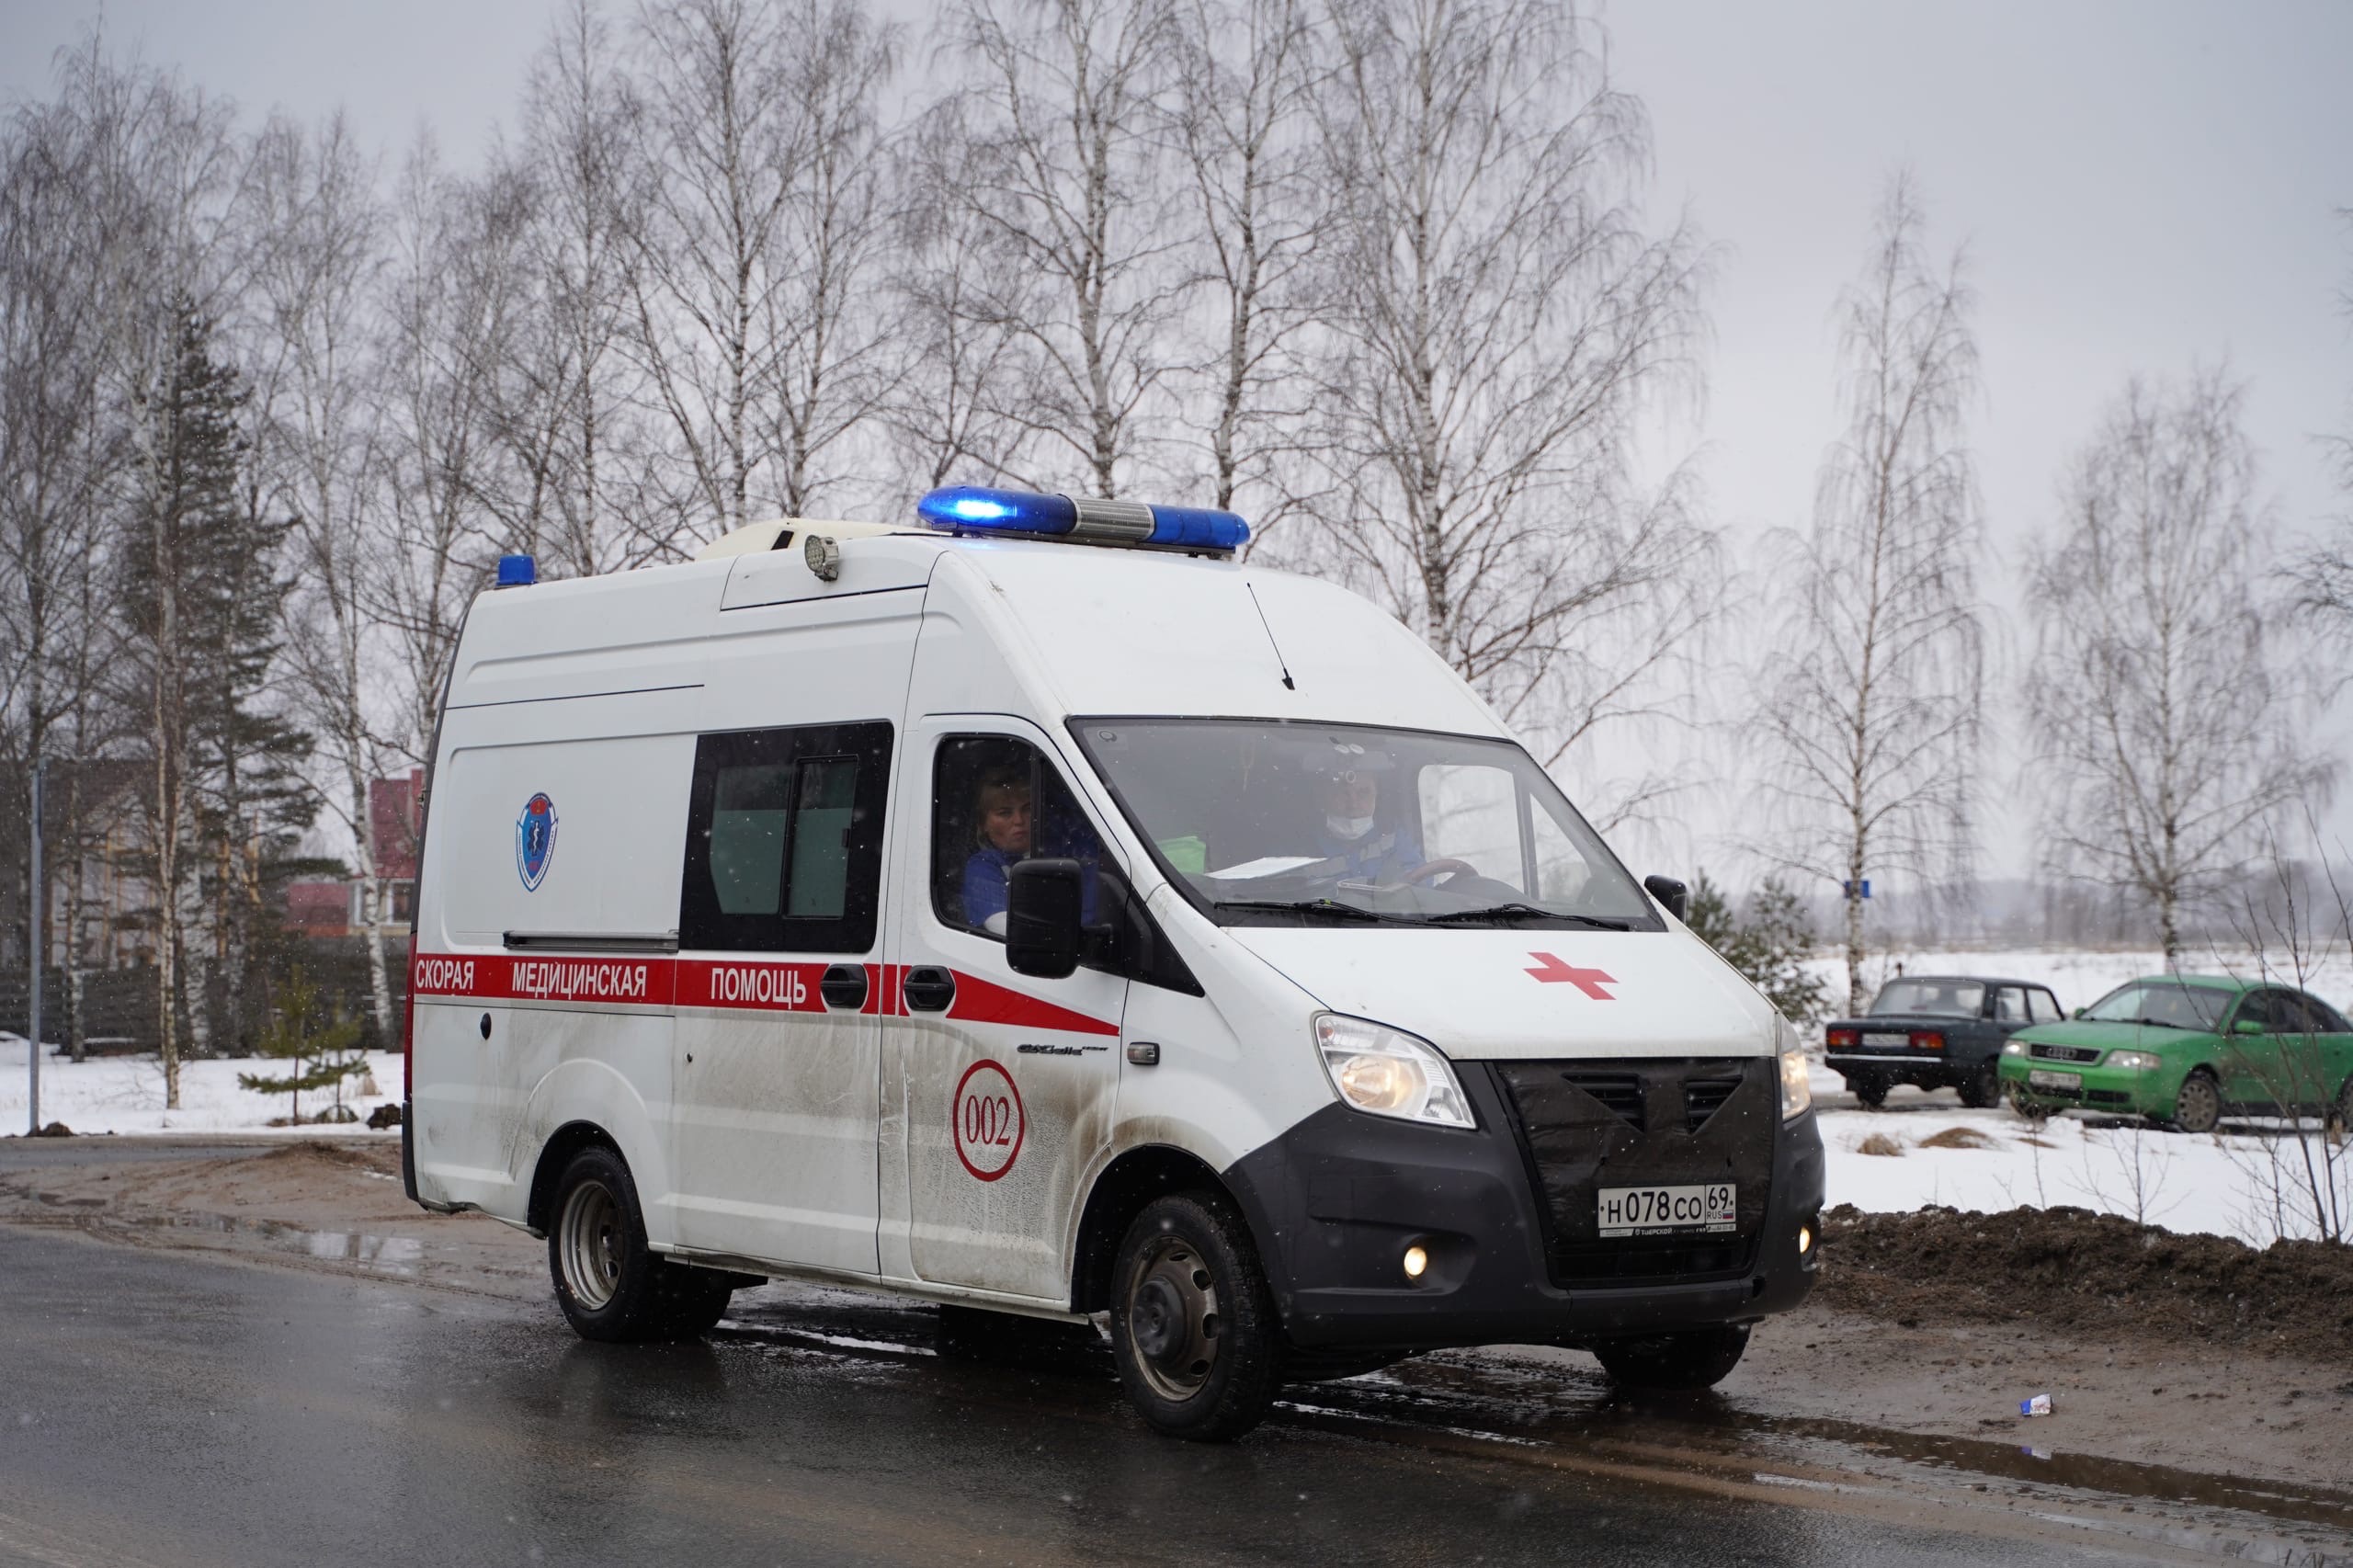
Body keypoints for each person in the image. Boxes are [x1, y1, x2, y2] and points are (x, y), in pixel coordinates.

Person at [961, 765, 1101, 934]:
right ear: (983, 824)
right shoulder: (986, 865)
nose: (1019, 820)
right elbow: (1004, 925)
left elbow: (1096, 915)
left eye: (1027, 809)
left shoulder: (1069, 852)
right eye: (1005, 813)